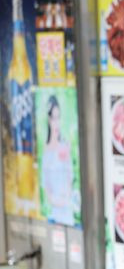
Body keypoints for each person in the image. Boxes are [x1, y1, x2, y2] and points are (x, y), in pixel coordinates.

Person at [41, 95, 74, 226]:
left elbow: (70, 177)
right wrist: (57, 202)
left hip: (67, 212)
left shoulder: (65, 146)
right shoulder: (46, 151)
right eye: (54, 118)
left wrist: (66, 199)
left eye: (58, 117)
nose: (56, 122)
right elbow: (46, 186)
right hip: (54, 214)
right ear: (49, 120)